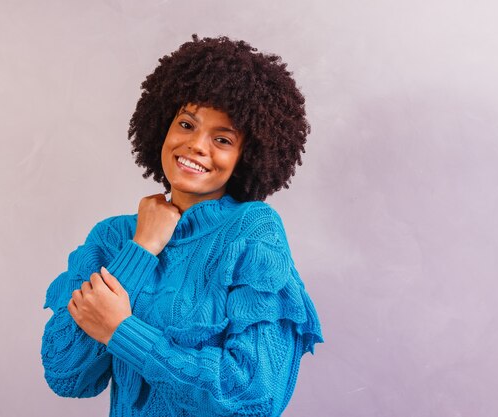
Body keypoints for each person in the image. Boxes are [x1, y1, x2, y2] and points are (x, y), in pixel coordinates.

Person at [41, 34, 323, 417]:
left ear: (247, 155)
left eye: (222, 138)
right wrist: (140, 249)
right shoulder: (113, 238)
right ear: (162, 126)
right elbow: (66, 375)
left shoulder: (252, 233)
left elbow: (255, 399)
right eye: (187, 124)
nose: (196, 145)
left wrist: (121, 332)